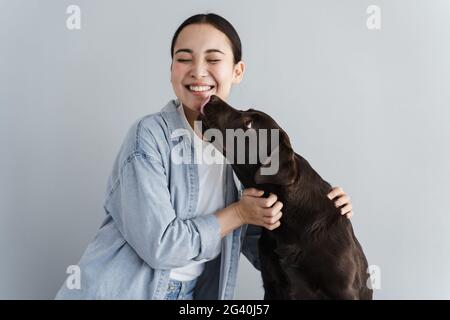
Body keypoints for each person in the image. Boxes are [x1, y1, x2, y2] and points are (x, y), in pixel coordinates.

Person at [55, 13, 354, 300]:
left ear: (237, 71)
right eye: (183, 59)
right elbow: (161, 247)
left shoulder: (241, 150)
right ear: (171, 69)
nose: (198, 71)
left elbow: (264, 245)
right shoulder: (147, 136)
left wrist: (323, 215)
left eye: (212, 59)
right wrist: (238, 213)